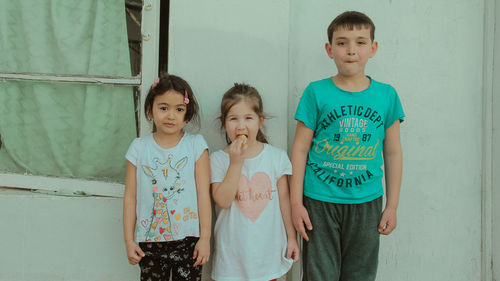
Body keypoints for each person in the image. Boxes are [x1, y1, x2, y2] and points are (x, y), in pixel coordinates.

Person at [290, 11, 405, 281]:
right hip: (319, 201)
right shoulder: (315, 92)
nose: (351, 50)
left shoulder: (386, 95)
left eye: (360, 42)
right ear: (329, 50)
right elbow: (299, 150)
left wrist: (392, 205)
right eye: (342, 43)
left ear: (373, 48)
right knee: (320, 275)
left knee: (360, 275)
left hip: (367, 203)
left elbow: (393, 152)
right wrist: (296, 203)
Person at [123, 74, 211, 281]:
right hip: (149, 241)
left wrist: (205, 238)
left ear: (187, 115)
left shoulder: (196, 146)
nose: (171, 115)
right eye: (163, 108)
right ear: (149, 111)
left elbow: (203, 194)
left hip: (189, 239)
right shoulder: (139, 148)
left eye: (179, 109)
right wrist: (129, 240)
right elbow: (130, 196)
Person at [210, 83, 299, 281]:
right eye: (233, 119)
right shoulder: (218, 160)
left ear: (260, 121)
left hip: (268, 259)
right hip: (231, 262)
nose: (241, 126)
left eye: (248, 118)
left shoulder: (276, 158)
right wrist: (236, 163)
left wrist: (292, 238)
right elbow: (223, 201)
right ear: (224, 123)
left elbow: (285, 200)